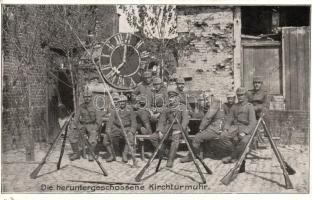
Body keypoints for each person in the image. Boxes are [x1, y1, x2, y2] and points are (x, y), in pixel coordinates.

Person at [180, 94, 234, 163]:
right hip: (220, 127)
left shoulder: (215, 103)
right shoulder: (218, 103)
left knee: (197, 137)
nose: (205, 101)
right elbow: (202, 115)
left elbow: (208, 117)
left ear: (210, 98)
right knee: (203, 135)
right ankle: (201, 154)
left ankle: (191, 156)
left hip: (216, 128)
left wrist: (201, 128)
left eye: (205, 99)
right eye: (203, 99)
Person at [149, 88, 189, 168]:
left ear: (177, 98)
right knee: (153, 137)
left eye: (172, 97)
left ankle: (170, 159)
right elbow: (161, 120)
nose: (170, 99)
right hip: (168, 128)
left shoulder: (182, 107)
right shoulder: (167, 107)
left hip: (180, 128)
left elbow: (185, 120)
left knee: (175, 139)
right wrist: (160, 130)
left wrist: (180, 130)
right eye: (169, 97)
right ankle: (167, 153)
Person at [221, 87, 257, 164]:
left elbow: (253, 122)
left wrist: (245, 132)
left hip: (245, 128)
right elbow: (229, 119)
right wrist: (226, 128)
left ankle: (232, 156)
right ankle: (235, 154)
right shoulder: (235, 106)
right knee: (223, 136)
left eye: (241, 95)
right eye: (238, 95)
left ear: (245, 96)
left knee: (244, 141)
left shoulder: (249, 106)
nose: (240, 97)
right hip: (235, 127)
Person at [103, 94, 137, 163]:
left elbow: (134, 122)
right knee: (106, 139)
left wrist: (131, 131)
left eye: (123, 101)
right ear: (118, 102)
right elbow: (110, 121)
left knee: (130, 138)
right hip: (116, 128)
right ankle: (112, 155)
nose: (122, 103)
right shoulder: (115, 110)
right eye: (120, 102)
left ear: (126, 102)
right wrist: (108, 130)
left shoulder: (130, 110)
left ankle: (124, 154)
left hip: (126, 128)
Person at [68, 89, 98, 162]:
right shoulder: (81, 106)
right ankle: (76, 153)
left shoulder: (95, 106)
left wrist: (96, 127)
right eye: (85, 97)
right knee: (72, 134)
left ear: (91, 97)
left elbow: (99, 119)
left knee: (93, 136)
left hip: (91, 125)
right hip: (82, 125)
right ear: (83, 98)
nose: (87, 98)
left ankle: (91, 153)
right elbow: (76, 117)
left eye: (88, 97)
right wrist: (73, 125)